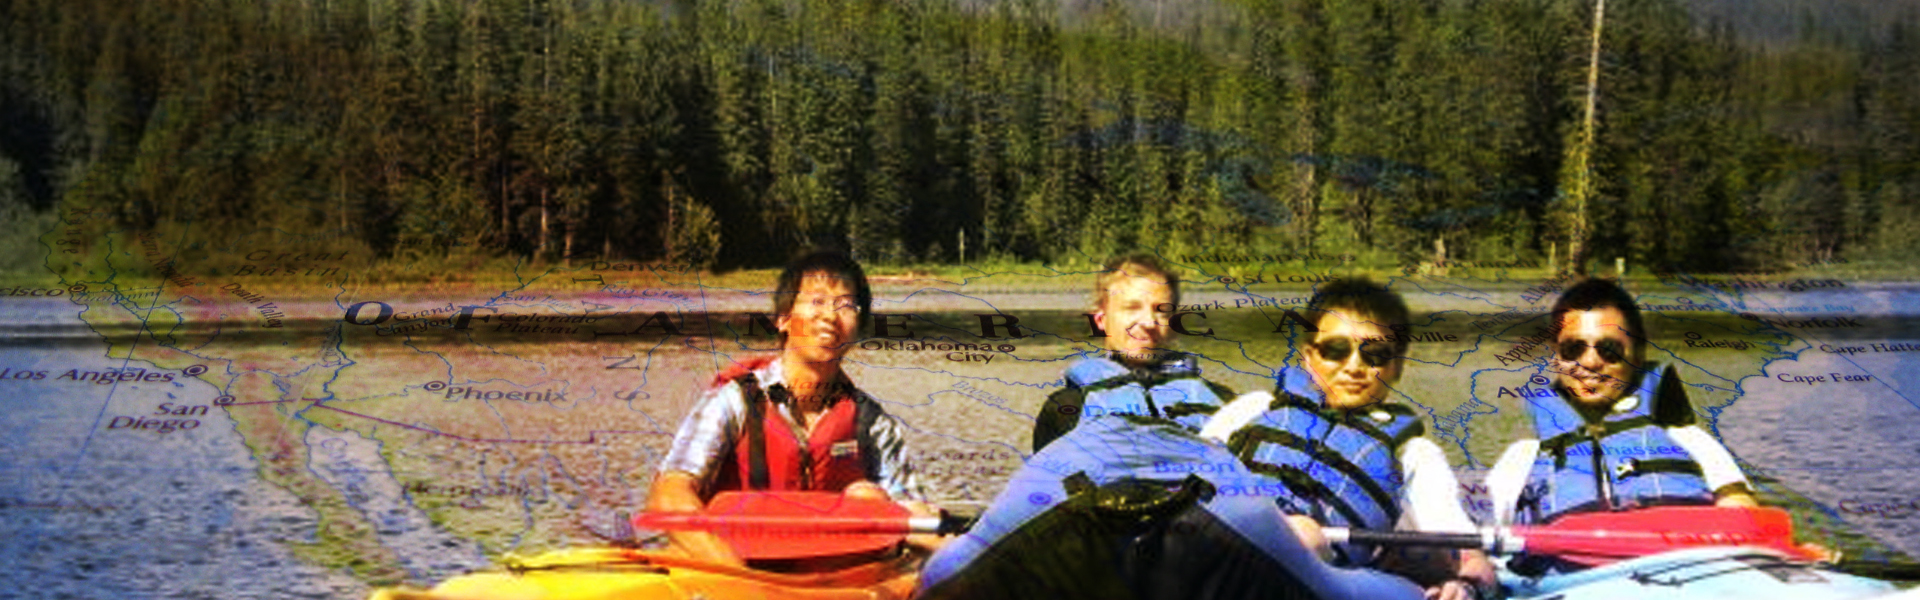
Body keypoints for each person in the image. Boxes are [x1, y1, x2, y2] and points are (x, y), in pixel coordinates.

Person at [1202, 278, 1496, 600]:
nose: (1354, 366)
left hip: (1327, 579)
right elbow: (1183, 480)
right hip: (1226, 549)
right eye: (1336, 350)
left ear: (1397, 366)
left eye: (1376, 353)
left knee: (1306, 536)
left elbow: (1468, 554)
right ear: (1309, 357)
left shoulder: (1412, 452)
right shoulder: (1254, 407)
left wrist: (1465, 586)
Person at [647, 249, 934, 567]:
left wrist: (956, 549)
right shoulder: (733, 402)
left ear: (859, 328)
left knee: (867, 496)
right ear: (783, 319)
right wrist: (734, 573)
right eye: (816, 302)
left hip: (833, 576)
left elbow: (913, 512)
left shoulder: (871, 422)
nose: (829, 316)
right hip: (735, 568)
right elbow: (670, 494)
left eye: (846, 305)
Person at [1484, 277, 1755, 576]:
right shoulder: (1521, 460)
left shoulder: (1690, 441)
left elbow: (1744, 519)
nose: (1589, 362)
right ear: (1556, 356)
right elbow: (1480, 553)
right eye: (1573, 349)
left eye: (1609, 350)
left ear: (1637, 354)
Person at [1032, 253, 1236, 452]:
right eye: (1131, 308)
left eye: (1161, 310)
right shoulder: (1066, 408)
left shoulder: (1221, 401)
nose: (1148, 322)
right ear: (1101, 320)